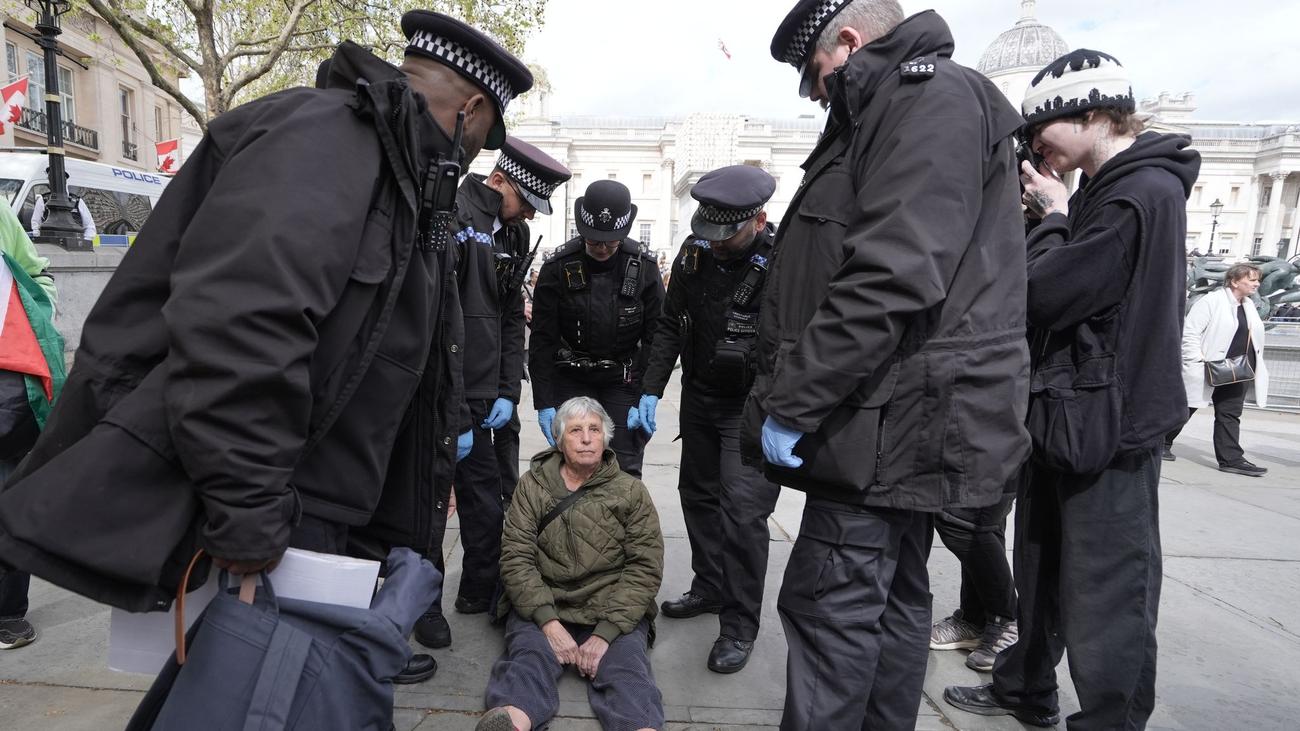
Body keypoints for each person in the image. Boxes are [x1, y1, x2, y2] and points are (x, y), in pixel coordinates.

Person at [0, 10, 532, 687]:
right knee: (236, 700)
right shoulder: (327, 140)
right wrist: (248, 512)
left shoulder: (402, 182)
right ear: (473, 108)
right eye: (486, 136)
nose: (480, 154)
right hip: (268, 518)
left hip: (319, 524)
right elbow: (240, 326)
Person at [756, 2, 1031, 728]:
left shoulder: (925, 99)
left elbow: (891, 272)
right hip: (895, 418)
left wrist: (793, 402)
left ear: (847, 41)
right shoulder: (908, 101)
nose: (815, 94)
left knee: (831, 607)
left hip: (883, 423)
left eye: (814, 74)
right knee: (891, 606)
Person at [944, 49, 1200, 729]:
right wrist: (1057, 213)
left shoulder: (1139, 192)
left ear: (1091, 115)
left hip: (1109, 429)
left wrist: (1055, 217)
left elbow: (1052, 292)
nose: (1036, 149)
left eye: (1042, 131)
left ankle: (1109, 719)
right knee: (1044, 569)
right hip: (1068, 418)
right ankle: (1025, 686)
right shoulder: (1104, 189)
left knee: (1107, 595)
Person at [414, 137, 571, 651]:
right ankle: (423, 605)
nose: (528, 211)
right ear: (499, 178)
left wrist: (508, 388)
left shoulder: (516, 232)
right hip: (447, 390)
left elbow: (508, 317)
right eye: (525, 199)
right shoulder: (452, 214)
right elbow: (439, 320)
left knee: (493, 501)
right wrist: (454, 408)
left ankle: (478, 590)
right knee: (432, 507)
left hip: (490, 395)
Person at [636, 164, 782, 674]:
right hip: (699, 396)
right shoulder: (696, 252)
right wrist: (651, 389)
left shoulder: (782, 260)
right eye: (710, 232)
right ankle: (711, 585)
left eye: (729, 234)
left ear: (759, 219)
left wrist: (782, 412)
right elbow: (670, 325)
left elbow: (795, 343)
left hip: (750, 406)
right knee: (696, 496)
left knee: (742, 514)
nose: (716, 244)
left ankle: (740, 626)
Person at [479, 396, 664, 731]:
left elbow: (644, 568)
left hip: (611, 605)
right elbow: (516, 557)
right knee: (528, 662)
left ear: (606, 438)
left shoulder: (631, 492)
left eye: (594, 429)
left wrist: (605, 634)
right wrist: (548, 623)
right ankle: (512, 724)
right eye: (575, 430)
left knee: (628, 671)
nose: (586, 437)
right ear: (559, 440)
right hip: (544, 602)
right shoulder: (532, 485)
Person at [529, 180, 664, 478]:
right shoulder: (558, 267)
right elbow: (542, 339)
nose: (602, 248)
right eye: (594, 241)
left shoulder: (644, 268)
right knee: (573, 463)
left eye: (611, 242)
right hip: (571, 375)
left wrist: (647, 391)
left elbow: (657, 337)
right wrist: (544, 400)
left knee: (624, 465)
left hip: (622, 379)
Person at [0, 203, 63, 650]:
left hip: (5, 377)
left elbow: (37, 276)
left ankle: (7, 613)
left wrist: (36, 315)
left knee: (7, 494)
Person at [1165, 263, 1269, 475]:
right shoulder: (1212, 301)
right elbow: (1190, 332)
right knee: (1186, 408)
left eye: (1257, 279)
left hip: (1238, 370)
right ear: (1234, 281)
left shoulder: (1248, 306)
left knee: (1230, 414)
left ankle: (1231, 459)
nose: (1256, 284)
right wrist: (1196, 359)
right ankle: (1160, 443)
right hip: (1209, 366)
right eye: (1251, 279)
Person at [929, 477, 1018, 672]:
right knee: (986, 521)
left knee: (961, 520)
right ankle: (976, 619)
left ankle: (1005, 620)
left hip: (995, 452)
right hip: (984, 451)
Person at [31, 176, 97, 243]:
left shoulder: (77, 201)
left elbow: (90, 227)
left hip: (74, 245)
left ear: (65, 181)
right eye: (50, 179)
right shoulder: (43, 200)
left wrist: (83, 244)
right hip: (49, 245)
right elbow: (36, 225)